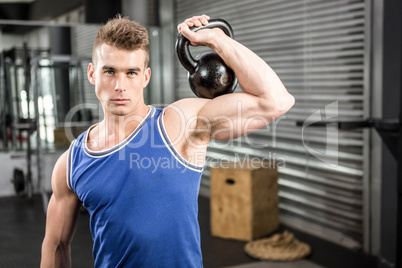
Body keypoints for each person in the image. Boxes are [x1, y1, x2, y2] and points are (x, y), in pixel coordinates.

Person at [40, 14, 294, 267]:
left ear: (146, 77)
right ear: (92, 73)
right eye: (109, 71)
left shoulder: (179, 125)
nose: (120, 85)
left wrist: (217, 40)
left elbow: (275, 101)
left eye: (131, 72)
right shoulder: (71, 163)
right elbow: (56, 245)